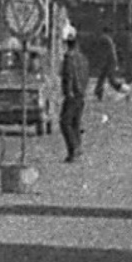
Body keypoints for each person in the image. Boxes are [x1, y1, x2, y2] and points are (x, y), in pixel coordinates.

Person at [59, 27, 90, 162]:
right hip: (81, 94)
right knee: (76, 123)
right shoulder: (83, 58)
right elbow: (87, 76)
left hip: (72, 95)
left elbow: (68, 76)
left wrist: (68, 92)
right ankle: (78, 148)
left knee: (65, 123)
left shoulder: (69, 58)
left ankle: (73, 149)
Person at [93, 31, 124, 103]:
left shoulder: (104, 38)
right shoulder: (106, 38)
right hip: (110, 61)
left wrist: (100, 61)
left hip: (110, 62)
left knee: (111, 80)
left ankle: (125, 90)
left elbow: (104, 52)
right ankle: (98, 92)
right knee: (103, 77)